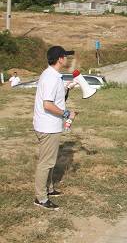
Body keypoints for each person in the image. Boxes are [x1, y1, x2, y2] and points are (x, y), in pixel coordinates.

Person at [32, 46, 76, 210]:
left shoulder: (51, 75)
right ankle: (41, 198)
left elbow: (53, 98)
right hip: (48, 126)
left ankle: (48, 190)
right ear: (60, 59)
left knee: (49, 161)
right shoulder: (51, 77)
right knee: (46, 162)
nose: (67, 59)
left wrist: (66, 88)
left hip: (48, 125)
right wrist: (66, 114)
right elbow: (48, 105)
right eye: (66, 56)